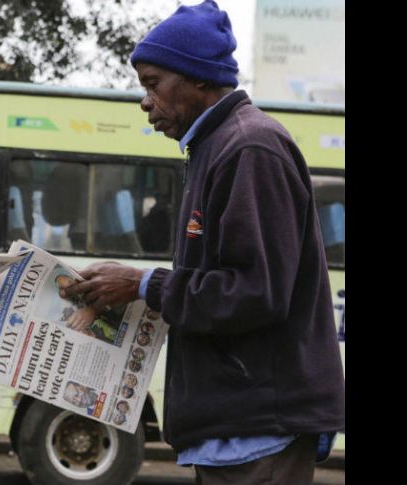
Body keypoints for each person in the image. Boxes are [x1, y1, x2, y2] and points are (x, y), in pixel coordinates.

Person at [61, 2, 345, 483]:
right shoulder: (216, 147)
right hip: (236, 426)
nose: (145, 101)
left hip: (259, 429)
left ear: (197, 79)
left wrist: (145, 285)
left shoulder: (250, 148)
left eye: (152, 83)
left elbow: (255, 292)